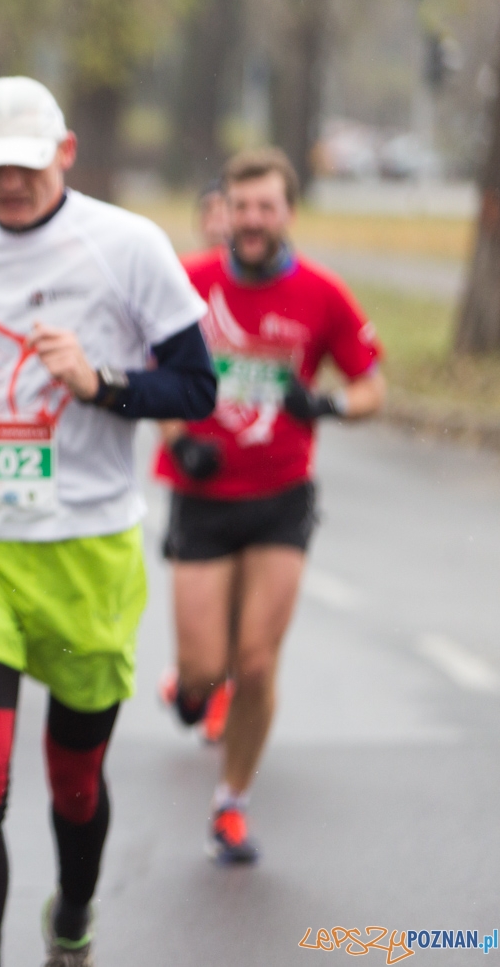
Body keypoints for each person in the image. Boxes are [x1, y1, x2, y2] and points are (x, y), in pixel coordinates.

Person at [0, 76, 216, 967]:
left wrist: (102, 385)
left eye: (27, 166)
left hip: (87, 544)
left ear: (66, 153)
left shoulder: (128, 246)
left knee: (75, 781)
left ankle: (73, 914)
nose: (9, 184)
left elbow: (198, 386)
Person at [154, 148, 384, 866]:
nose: (251, 221)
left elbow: (373, 386)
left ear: (288, 212)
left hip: (282, 497)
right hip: (202, 496)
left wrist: (328, 404)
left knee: (254, 665)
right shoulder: (188, 285)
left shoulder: (322, 293)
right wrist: (176, 438)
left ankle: (231, 803)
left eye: (266, 207)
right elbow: (148, 372)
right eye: (240, 207)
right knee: (202, 670)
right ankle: (190, 690)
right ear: (223, 211)